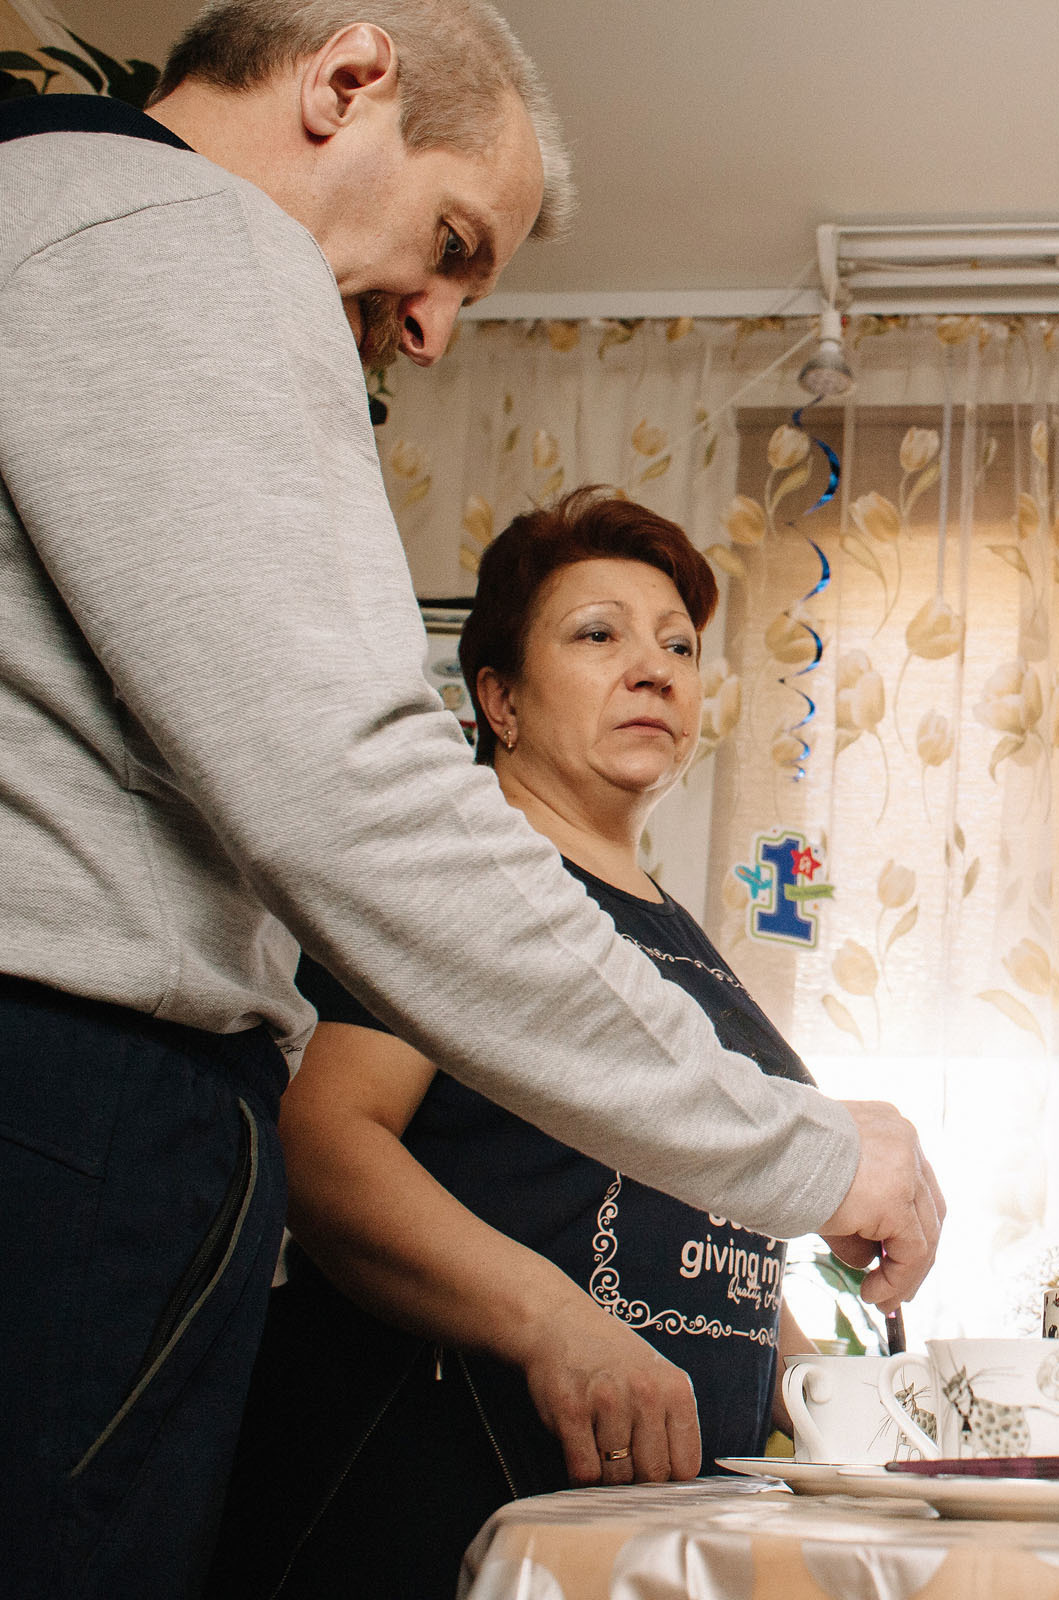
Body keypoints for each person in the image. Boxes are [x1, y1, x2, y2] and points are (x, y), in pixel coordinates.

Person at [0, 5, 938, 1596]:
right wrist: (809, 1158)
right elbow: (357, 792)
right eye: (450, 245)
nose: (427, 332)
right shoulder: (180, 234)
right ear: (347, 82)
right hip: (37, 1129)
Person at [210, 488, 825, 1597]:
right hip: (431, 1499)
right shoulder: (467, 879)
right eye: (598, 635)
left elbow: (685, 1201)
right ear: (498, 696)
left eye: (678, 645)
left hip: (631, 1540)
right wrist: (553, 1320)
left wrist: (807, 1378)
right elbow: (325, 1138)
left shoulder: (680, 936)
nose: (654, 668)